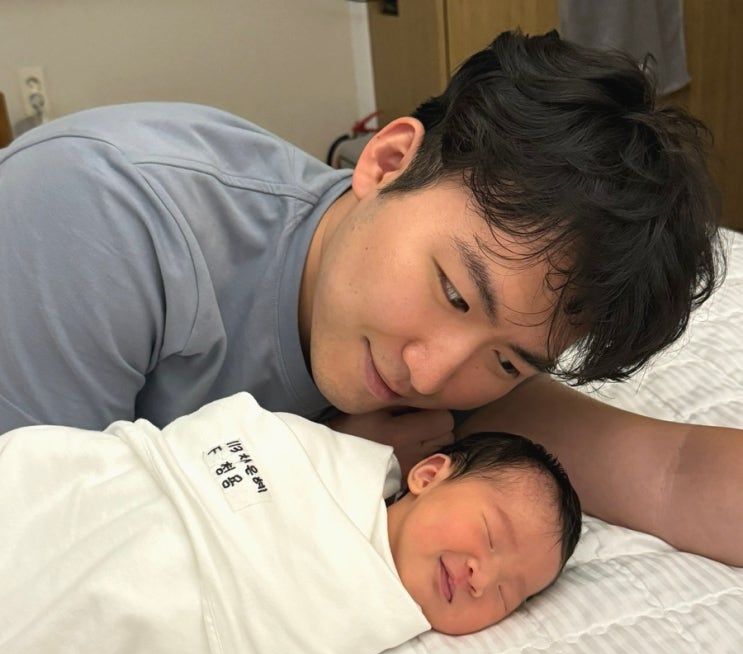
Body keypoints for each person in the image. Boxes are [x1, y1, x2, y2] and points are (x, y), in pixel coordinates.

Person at [0, 29, 739, 566]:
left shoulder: (455, 363)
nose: (432, 373)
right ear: (387, 161)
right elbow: (38, 548)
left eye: (510, 361)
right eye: (453, 294)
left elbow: (670, 472)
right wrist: (316, 465)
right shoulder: (100, 217)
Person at [0, 392, 580, 654]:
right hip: (95, 484)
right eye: (490, 535)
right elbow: (237, 434)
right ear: (428, 475)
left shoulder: (369, 616)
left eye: (508, 593)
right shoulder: (326, 458)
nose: (483, 576)